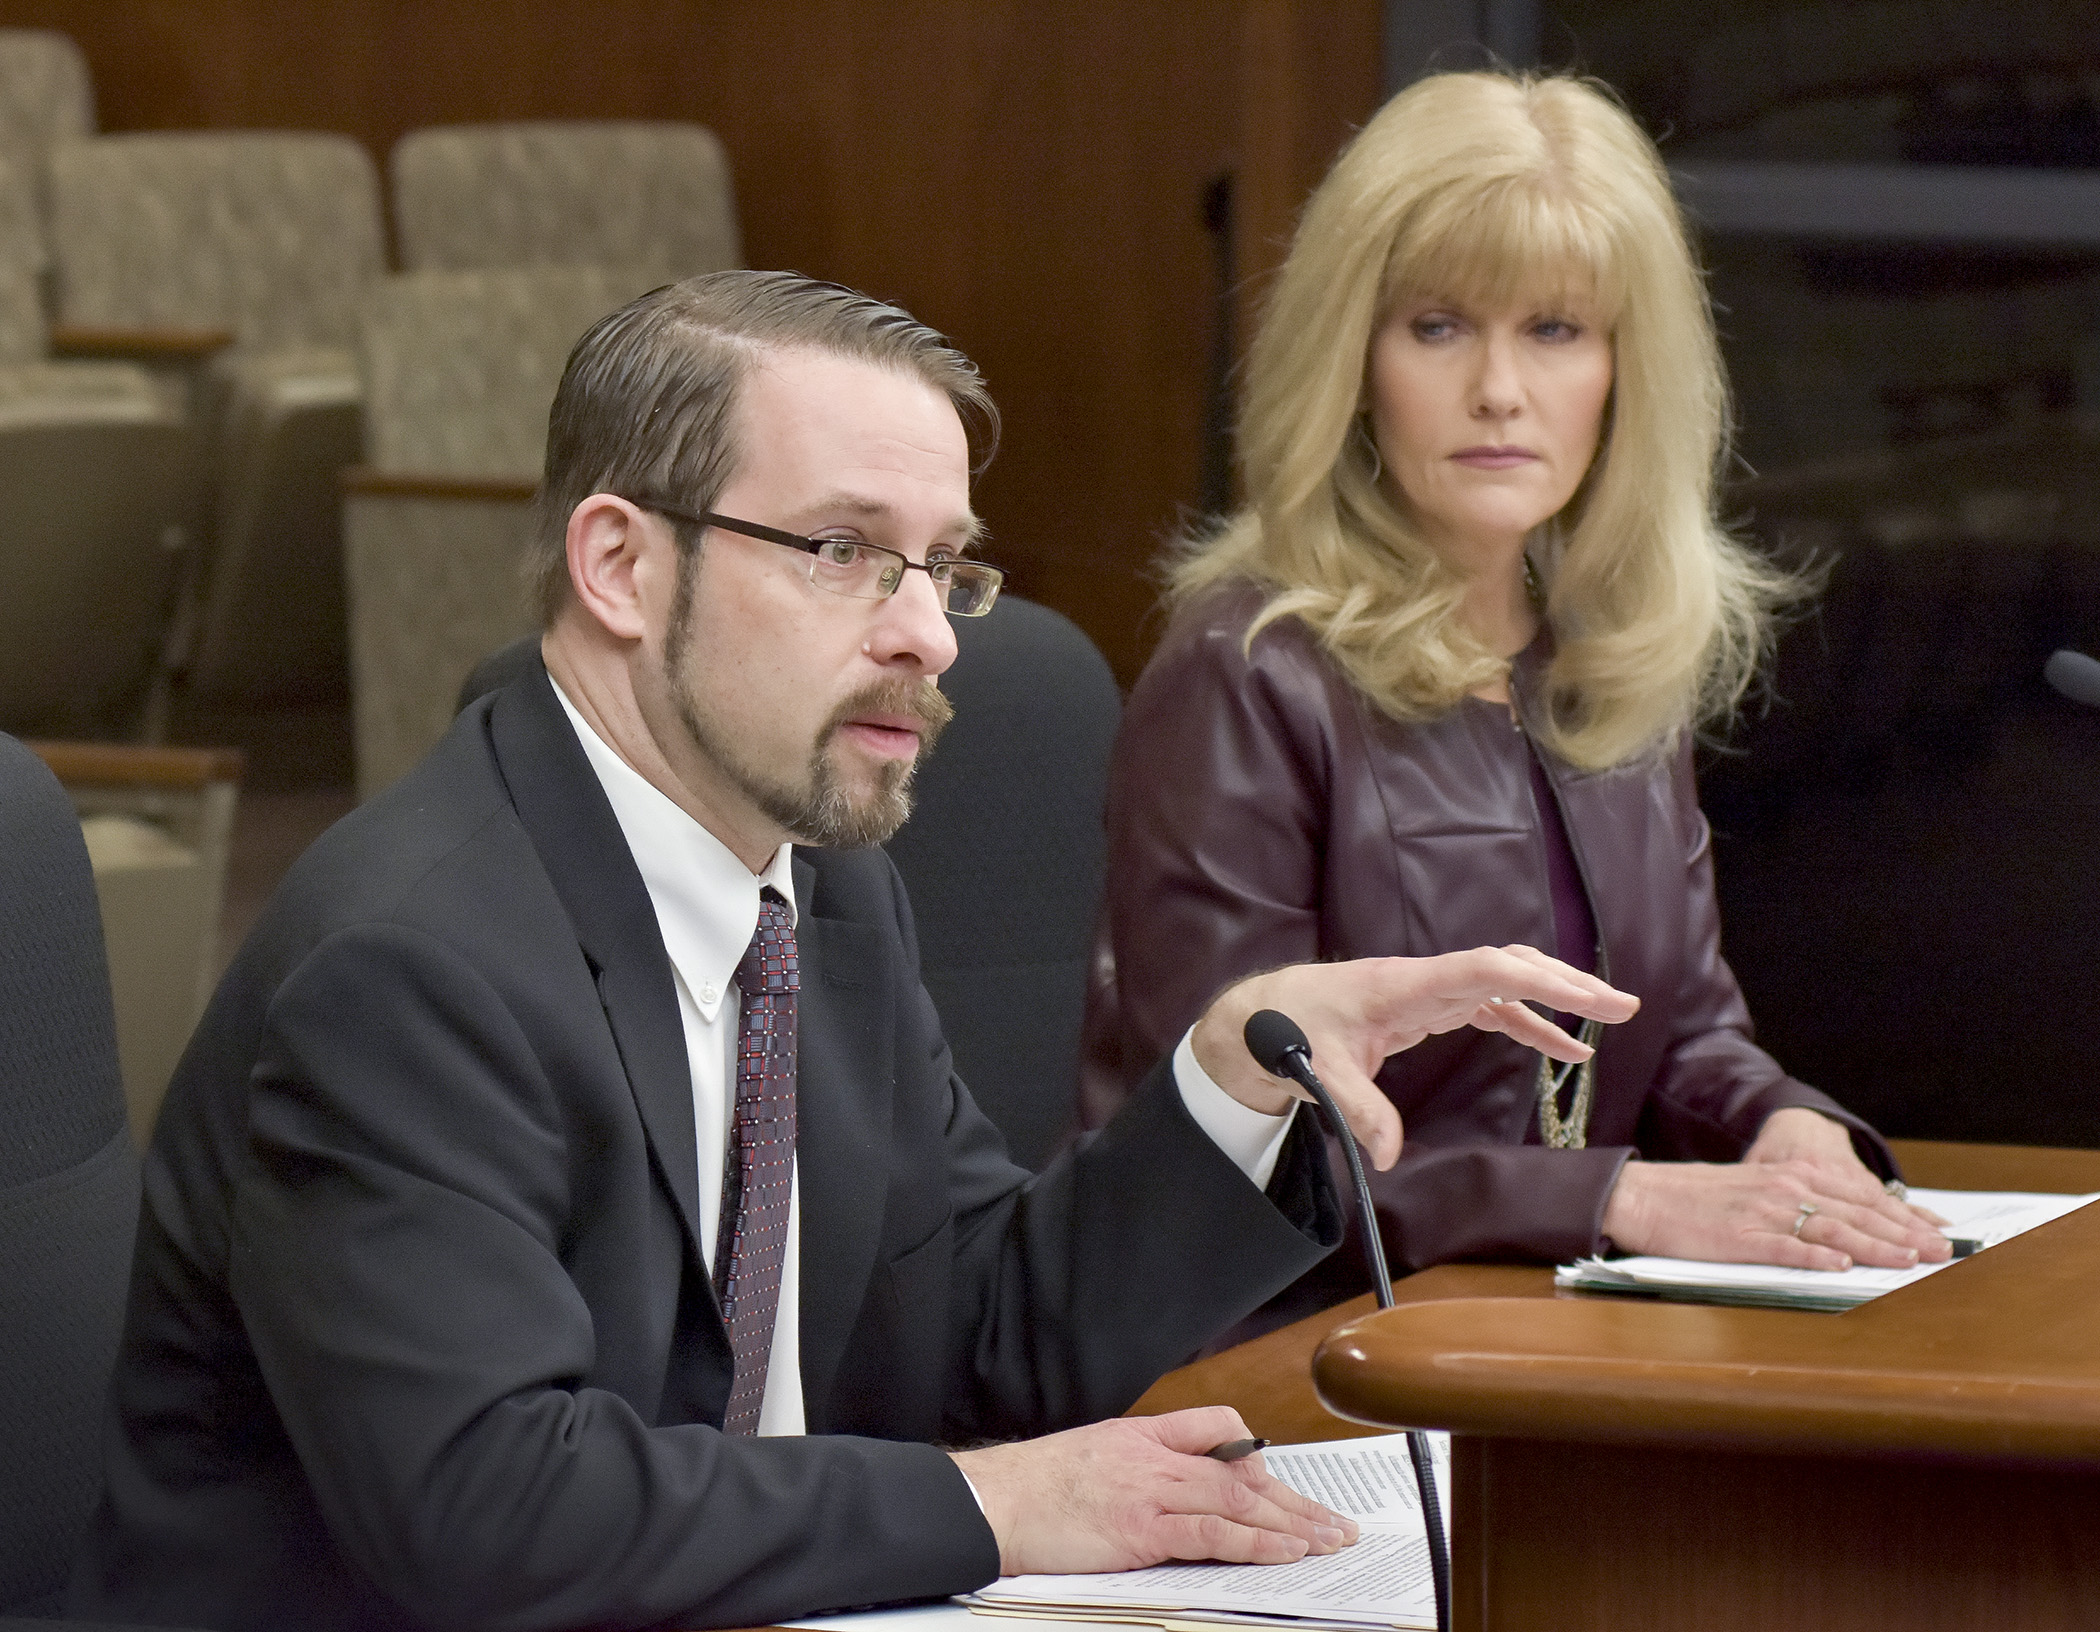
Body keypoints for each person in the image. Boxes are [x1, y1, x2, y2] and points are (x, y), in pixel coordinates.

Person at [71, 271, 1635, 1632]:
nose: (931, 634)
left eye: (945, 566)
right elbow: (489, 1512)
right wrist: (996, 1513)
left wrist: (1233, 1082)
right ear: (620, 567)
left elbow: (977, 1340)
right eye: (842, 551)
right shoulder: (412, 967)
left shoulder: (813, 890)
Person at [1081, 71, 1950, 1326]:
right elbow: (1244, 1144)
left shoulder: (1607, 657)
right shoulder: (1249, 670)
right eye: (1437, 325)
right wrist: (1613, 1202)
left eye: (1554, 329)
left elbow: (1686, 1030)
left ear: (1622, 368)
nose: (1500, 388)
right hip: (1284, 1360)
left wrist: (1785, 1125)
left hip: (1543, 1330)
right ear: (1355, 356)